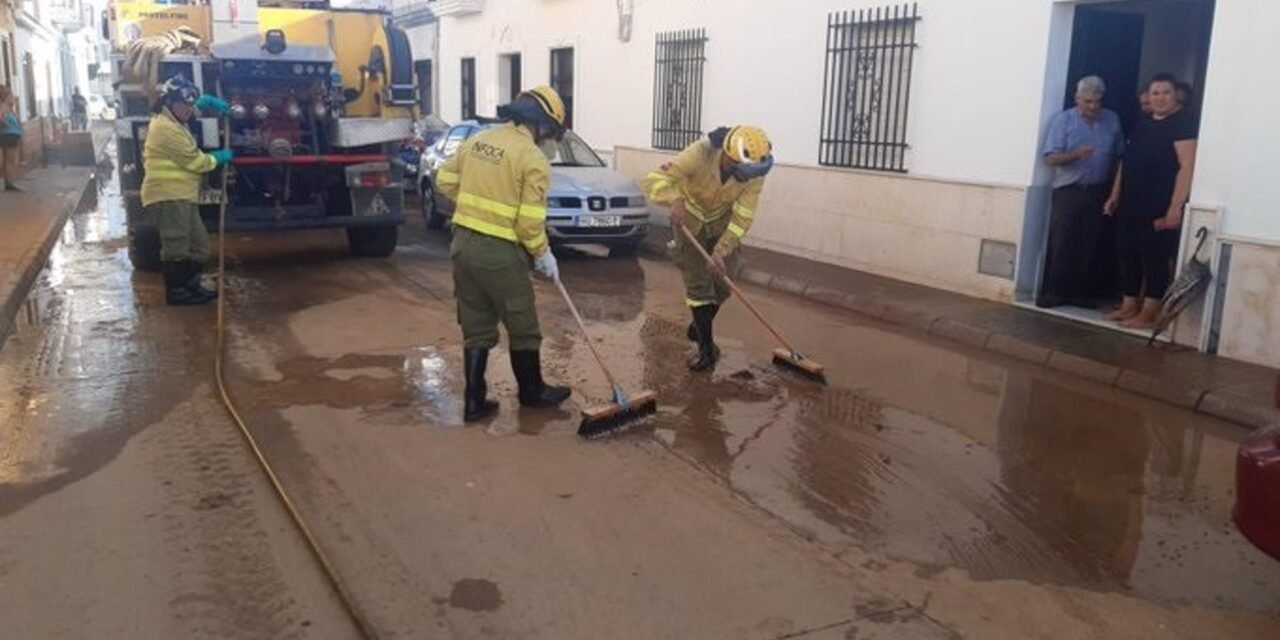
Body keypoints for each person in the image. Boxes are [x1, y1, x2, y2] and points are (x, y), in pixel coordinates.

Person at [435, 85, 573, 422]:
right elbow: (528, 224)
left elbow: (444, 179)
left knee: (476, 322)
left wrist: (473, 205)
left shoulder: (480, 141)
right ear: (541, 125)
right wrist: (543, 255)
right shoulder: (532, 159)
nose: (550, 140)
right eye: (552, 132)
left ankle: (474, 401)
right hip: (500, 252)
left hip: (462, 244)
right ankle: (532, 392)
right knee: (522, 321)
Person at [644, 125, 774, 371]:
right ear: (729, 158)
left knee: (723, 285)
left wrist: (721, 250)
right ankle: (706, 351)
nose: (748, 177)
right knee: (699, 288)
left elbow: (743, 217)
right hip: (688, 222)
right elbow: (657, 179)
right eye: (744, 171)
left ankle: (699, 326)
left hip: (720, 222)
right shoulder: (700, 153)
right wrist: (674, 199)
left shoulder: (756, 173)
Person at [1104, 73, 1199, 328]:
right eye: (1155, 93)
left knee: (1154, 258)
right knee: (1128, 255)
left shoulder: (1183, 124)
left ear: (1175, 95)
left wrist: (1175, 207)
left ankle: (1149, 312)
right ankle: (1128, 305)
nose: (1160, 98)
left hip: (1158, 204)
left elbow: (1187, 166)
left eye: (1165, 93)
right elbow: (1127, 161)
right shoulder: (1143, 121)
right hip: (1130, 201)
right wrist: (1115, 195)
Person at [141, 75, 233, 306]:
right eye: (184, 104)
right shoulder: (165, 129)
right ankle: (178, 293)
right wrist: (218, 158)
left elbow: (191, 114)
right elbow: (195, 162)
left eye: (191, 104)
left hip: (182, 196)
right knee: (177, 246)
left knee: (199, 247)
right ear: (169, 103)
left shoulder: (175, 120)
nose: (189, 109)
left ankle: (190, 286)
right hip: (167, 197)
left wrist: (207, 103)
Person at [1038, 76, 1125, 309]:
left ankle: (1079, 293)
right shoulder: (1063, 121)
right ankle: (1054, 292)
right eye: (1088, 101)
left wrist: (1114, 192)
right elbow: (1050, 157)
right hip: (1069, 190)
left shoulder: (1112, 120)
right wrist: (1076, 155)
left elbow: (1120, 157)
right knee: (1063, 240)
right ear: (1077, 99)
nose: (1093, 106)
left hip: (1097, 190)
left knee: (1089, 242)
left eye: (1097, 101)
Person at [1, 85, 22, 192]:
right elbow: (1, 117)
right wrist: (4, 123)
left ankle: (9, 183)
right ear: (6, 97)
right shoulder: (3, 106)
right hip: (9, 135)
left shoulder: (8, 108)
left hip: (11, 135)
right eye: (11, 96)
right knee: (10, 160)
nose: (13, 98)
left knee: (9, 160)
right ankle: (10, 183)